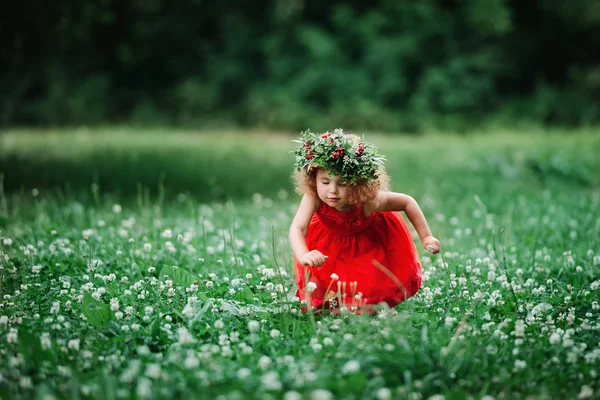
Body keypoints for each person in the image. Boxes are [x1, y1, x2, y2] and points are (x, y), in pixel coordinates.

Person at [289, 129, 440, 312]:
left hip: (366, 246)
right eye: (325, 182)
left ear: (359, 183)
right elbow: (298, 228)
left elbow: (407, 202)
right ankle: (336, 308)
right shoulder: (314, 197)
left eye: (342, 183)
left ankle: (365, 309)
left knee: (369, 284)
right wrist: (303, 253)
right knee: (326, 287)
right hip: (327, 245)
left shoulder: (367, 200)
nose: (333, 191)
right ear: (314, 180)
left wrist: (426, 237)